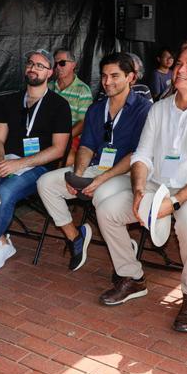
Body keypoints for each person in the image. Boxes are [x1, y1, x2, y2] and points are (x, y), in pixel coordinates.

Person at [95, 44, 187, 334]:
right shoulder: (159, 109)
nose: (180, 70)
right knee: (107, 209)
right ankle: (131, 277)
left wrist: (176, 202)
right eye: (178, 64)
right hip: (158, 187)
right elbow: (142, 155)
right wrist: (138, 189)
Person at [36, 52, 152, 271]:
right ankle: (75, 237)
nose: (107, 82)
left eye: (115, 76)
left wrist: (101, 179)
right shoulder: (97, 109)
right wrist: (78, 175)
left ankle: (125, 249)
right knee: (45, 183)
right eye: (104, 76)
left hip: (127, 173)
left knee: (101, 195)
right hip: (96, 168)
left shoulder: (144, 110)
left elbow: (137, 155)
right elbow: (87, 146)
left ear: (131, 77)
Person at [0, 49, 71, 272]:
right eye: (30, 63)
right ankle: (1, 243)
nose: (33, 68)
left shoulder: (59, 105)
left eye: (40, 65)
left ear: (50, 72)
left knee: (3, 194)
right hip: (8, 160)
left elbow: (58, 150)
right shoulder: (10, 101)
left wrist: (20, 164)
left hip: (39, 167)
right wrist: (0, 160)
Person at [49, 49, 93, 168]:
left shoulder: (83, 90)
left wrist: (63, 137)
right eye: (55, 63)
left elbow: (83, 123)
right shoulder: (49, 86)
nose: (58, 67)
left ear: (73, 64)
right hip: (48, 134)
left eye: (62, 63)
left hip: (70, 137)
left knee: (67, 159)